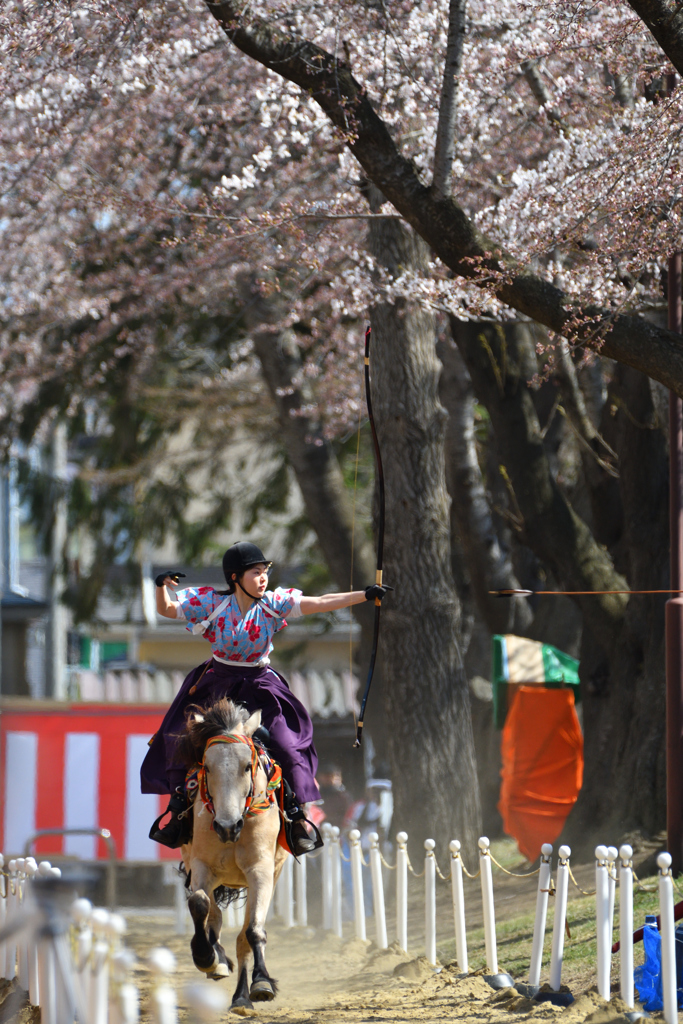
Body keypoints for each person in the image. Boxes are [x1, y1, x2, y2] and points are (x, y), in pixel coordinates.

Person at [141, 541, 391, 857]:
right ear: (235, 577)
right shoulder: (211, 603)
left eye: (265, 572)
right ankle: (178, 811)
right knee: (179, 738)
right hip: (217, 683)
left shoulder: (274, 603)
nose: (263, 578)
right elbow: (166, 609)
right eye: (255, 572)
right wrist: (161, 585)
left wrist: (365, 596)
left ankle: (298, 816)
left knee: (287, 744)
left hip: (261, 684)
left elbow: (322, 601)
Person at [316, 763, 352, 830]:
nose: (330, 779)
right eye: (326, 776)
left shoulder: (343, 796)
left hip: (337, 830)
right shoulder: (315, 795)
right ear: (320, 777)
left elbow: (348, 816)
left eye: (334, 776)